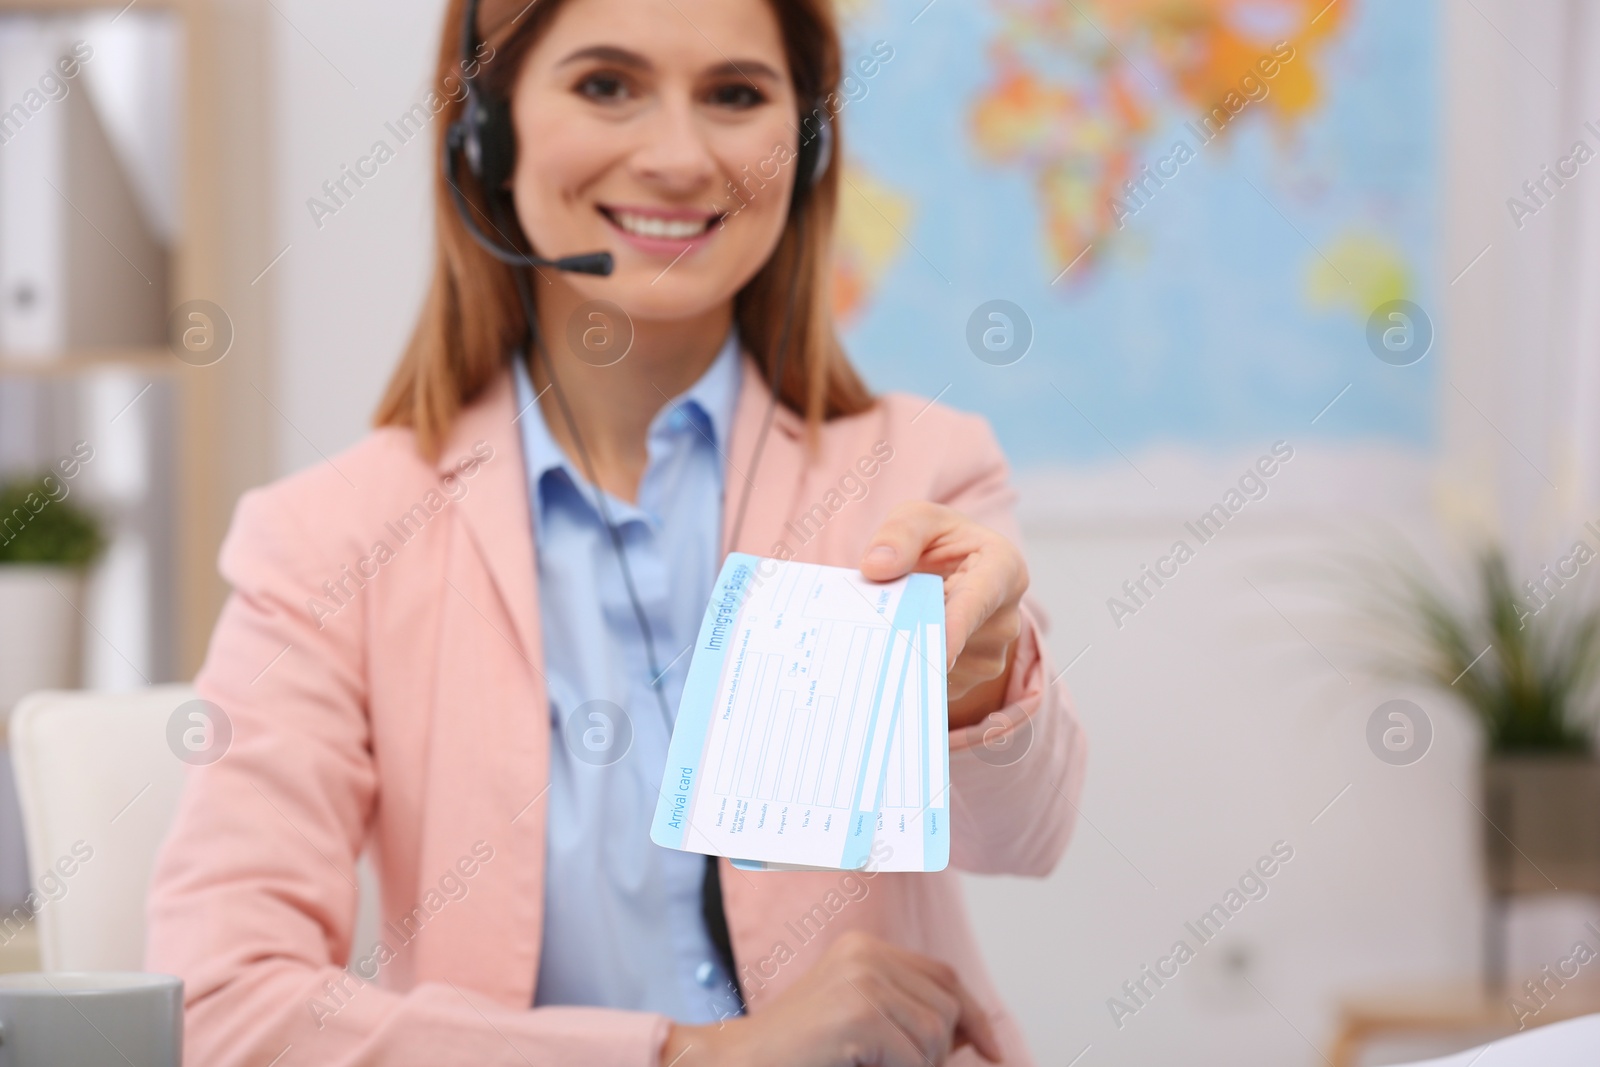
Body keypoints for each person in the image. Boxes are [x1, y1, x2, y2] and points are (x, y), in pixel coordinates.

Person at [145, 0, 1087, 1063]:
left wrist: (979, 683)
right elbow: (221, 1002)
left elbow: (1025, 836)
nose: (680, 157)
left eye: (736, 95)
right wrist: (688, 1055)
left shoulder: (916, 474)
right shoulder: (330, 537)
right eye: (606, 85)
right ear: (485, 132)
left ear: (806, 144)